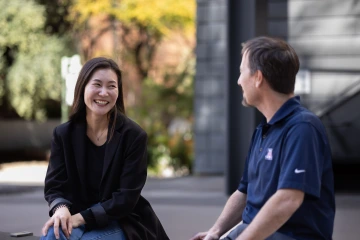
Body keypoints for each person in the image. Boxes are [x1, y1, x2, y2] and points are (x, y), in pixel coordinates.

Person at [190, 36, 335, 240]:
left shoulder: (303, 128)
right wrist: (215, 232)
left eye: (242, 72)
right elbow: (244, 192)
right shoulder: (263, 129)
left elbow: (289, 199)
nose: (239, 81)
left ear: (258, 78)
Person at [41, 57, 169, 240]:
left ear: (118, 91)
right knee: (51, 237)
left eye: (111, 86)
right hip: (76, 217)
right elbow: (55, 185)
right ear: (83, 87)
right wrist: (60, 209)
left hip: (122, 221)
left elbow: (125, 198)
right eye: (97, 84)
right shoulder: (63, 134)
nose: (104, 92)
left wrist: (80, 218)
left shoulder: (133, 136)